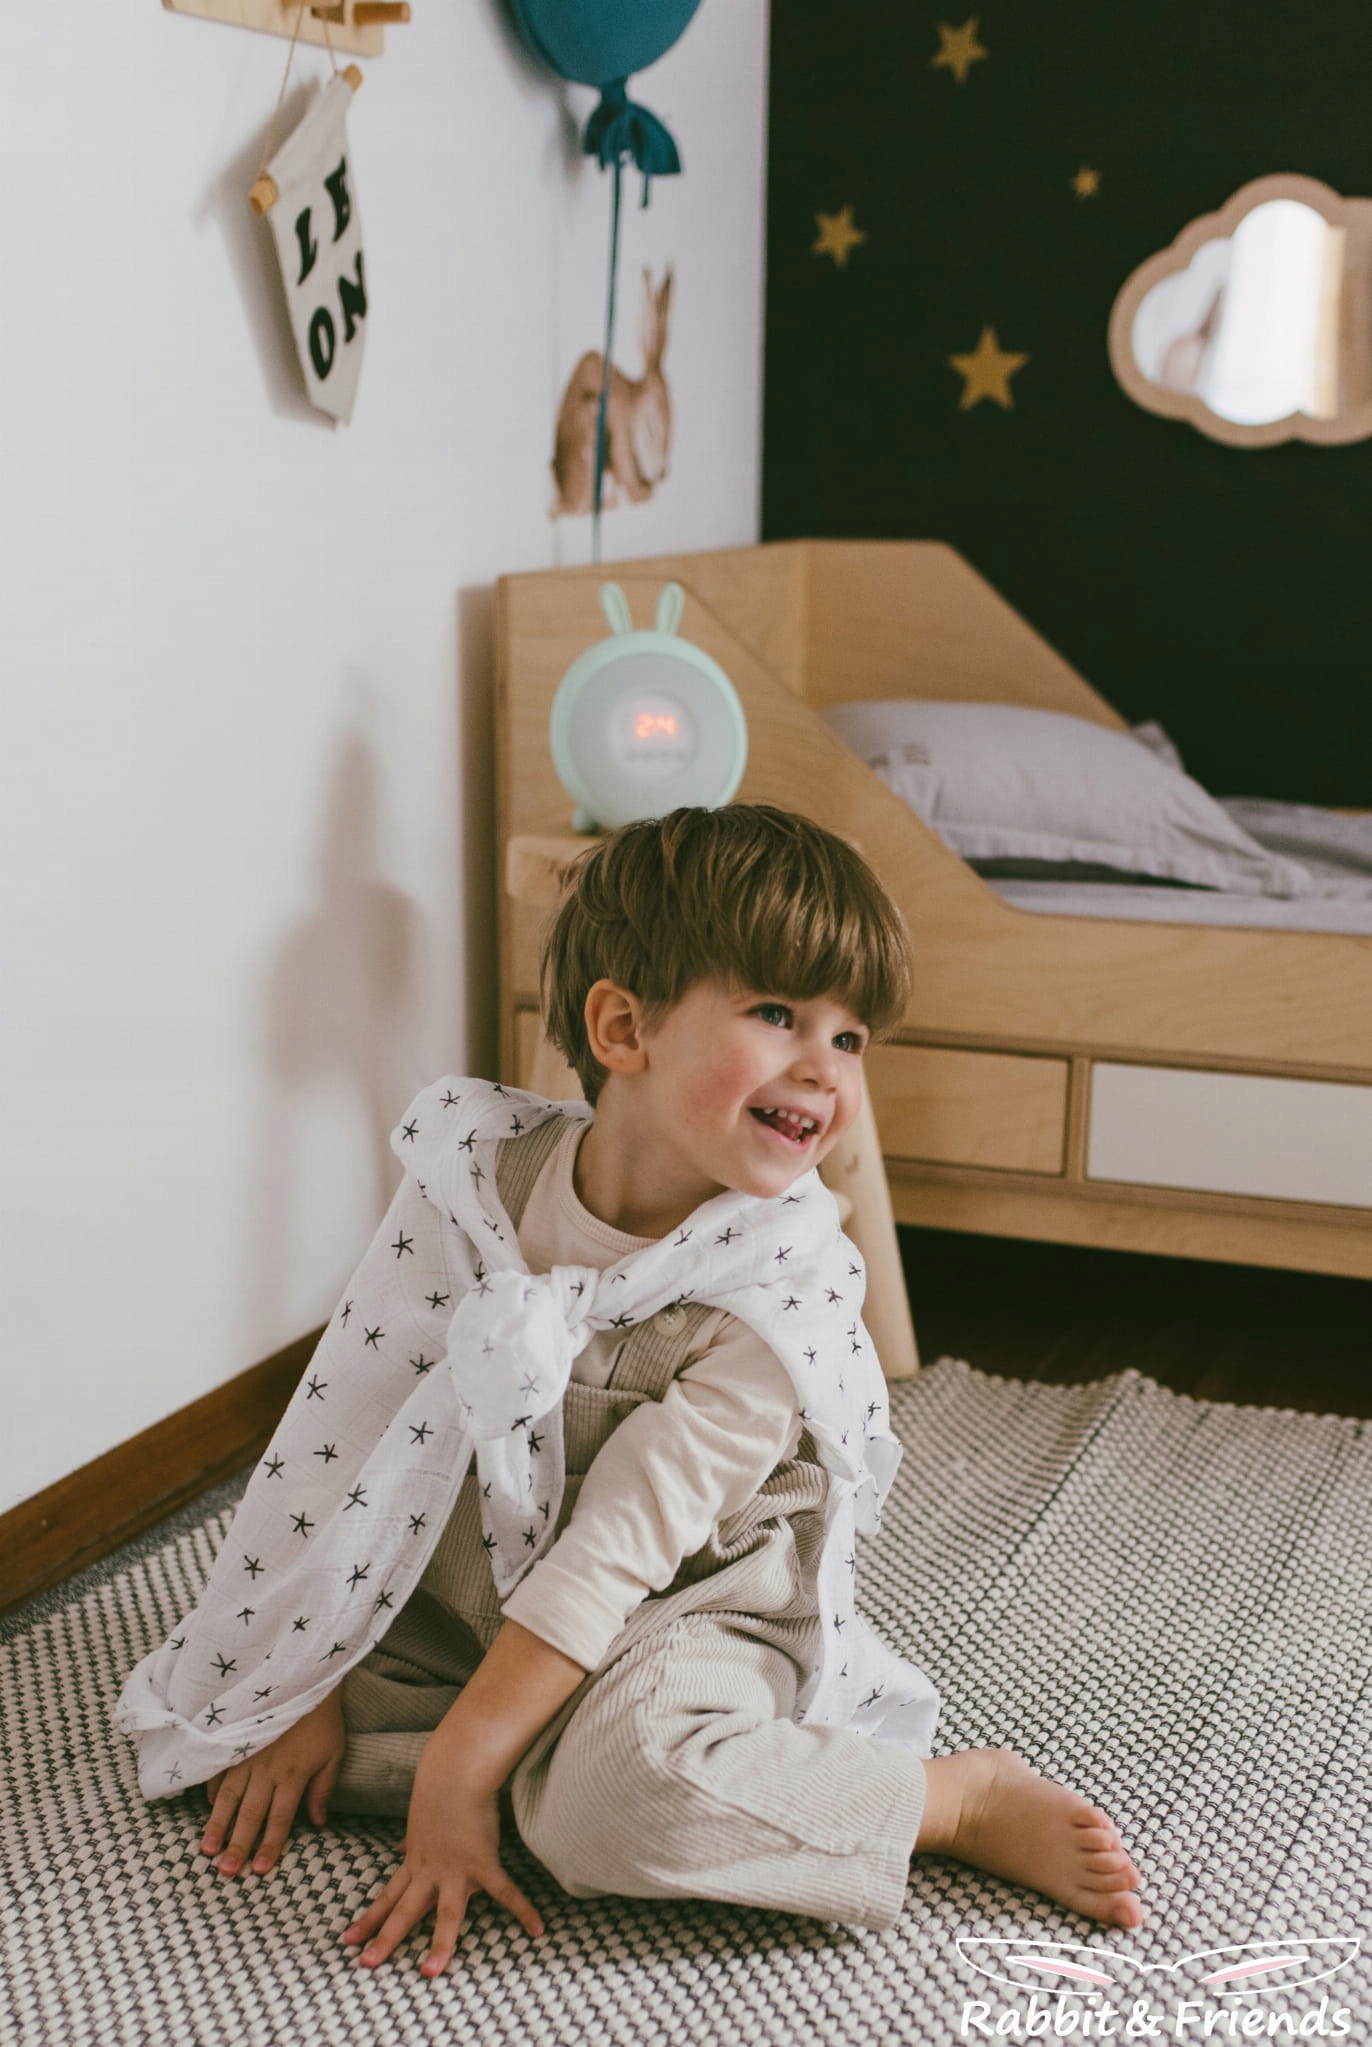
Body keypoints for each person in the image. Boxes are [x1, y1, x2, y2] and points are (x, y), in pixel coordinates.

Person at [126, 804, 1144, 1972]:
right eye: (777, 1014)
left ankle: (942, 1800)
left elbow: (617, 1550)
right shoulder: (473, 1184)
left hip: (684, 1599)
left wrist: (456, 1771)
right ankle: (531, 1753)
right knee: (229, 1708)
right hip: (467, 1587)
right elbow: (345, 1428)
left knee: (619, 1795)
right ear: (623, 1026)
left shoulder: (779, 1284)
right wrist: (299, 1680)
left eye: (851, 1035)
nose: (824, 1067)